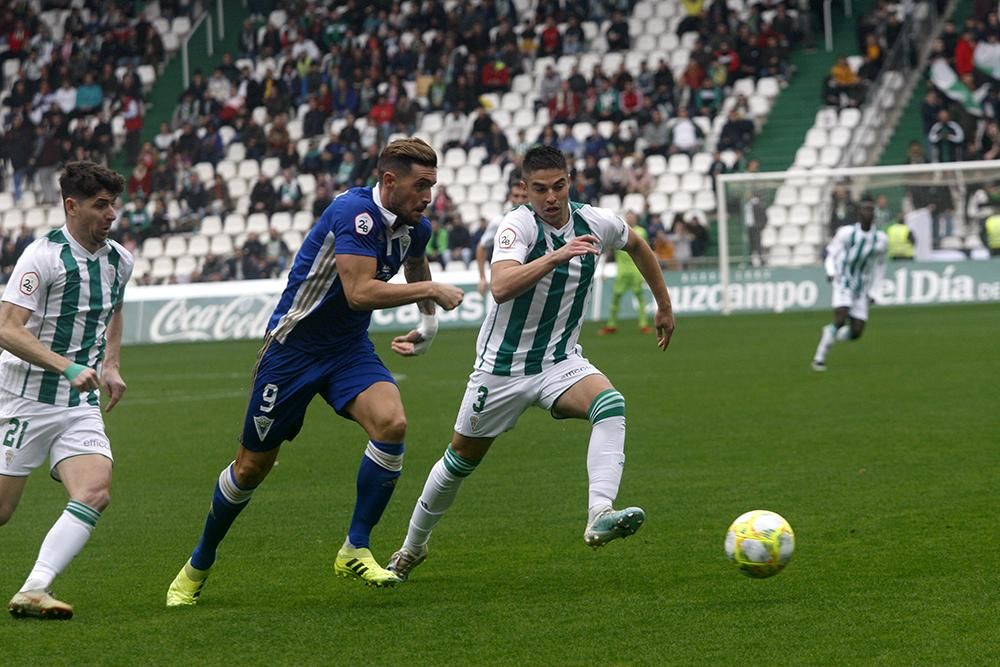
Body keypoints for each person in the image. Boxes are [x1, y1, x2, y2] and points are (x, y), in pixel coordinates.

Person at [165, 139, 465, 606]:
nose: (428, 196)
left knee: (393, 423)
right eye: (420, 185)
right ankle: (199, 562)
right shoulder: (353, 214)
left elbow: (415, 261)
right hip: (292, 352)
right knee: (251, 468)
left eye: (433, 184)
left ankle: (355, 548)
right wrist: (431, 290)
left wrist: (427, 321)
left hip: (347, 350)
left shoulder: (413, 226)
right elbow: (359, 293)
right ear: (389, 181)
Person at [385, 146, 675, 582]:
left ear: (569, 181)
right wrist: (557, 255)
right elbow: (501, 287)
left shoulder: (596, 221)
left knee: (610, 405)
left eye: (558, 186)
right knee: (460, 459)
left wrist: (664, 306)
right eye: (540, 190)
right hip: (501, 369)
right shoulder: (516, 226)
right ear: (525, 189)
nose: (551, 198)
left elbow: (636, 244)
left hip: (560, 362)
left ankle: (600, 512)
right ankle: (412, 546)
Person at [0, 161, 132, 619]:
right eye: (101, 205)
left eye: (113, 203)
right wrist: (67, 365)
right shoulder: (42, 257)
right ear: (72, 206)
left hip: (77, 403)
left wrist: (110, 364)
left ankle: (34, 588)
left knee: (95, 490)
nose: (111, 214)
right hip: (23, 398)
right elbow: (8, 329)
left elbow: (114, 309)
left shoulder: (120, 260)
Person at [811, 196, 887, 371]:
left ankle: (829, 333)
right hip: (843, 280)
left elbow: (881, 265)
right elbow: (831, 254)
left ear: (874, 214)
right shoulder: (847, 233)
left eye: (870, 209)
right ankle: (819, 359)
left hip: (861, 287)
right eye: (864, 209)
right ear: (859, 213)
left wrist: (875, 291)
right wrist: (830, 272)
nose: (867, 212)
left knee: (856, 332)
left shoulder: (881, 239)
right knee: (841, 317)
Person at [598, 211, 653, 335]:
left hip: (636, 270)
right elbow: (608, 251)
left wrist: (646, 272)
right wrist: (603, 270)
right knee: (615, 299)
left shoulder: (641, 232)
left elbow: (646, 251)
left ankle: (643, 325)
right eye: (628, 216)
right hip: (621, 272)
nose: (630, 218)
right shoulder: (619, 230)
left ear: (636, 218)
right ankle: (611, 325)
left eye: (632, 216)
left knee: (640, 298)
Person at [476, 177, 529, 295]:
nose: (520, 200)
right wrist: (482, 278)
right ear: (510, 197)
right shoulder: (500, 221)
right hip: (510, 282)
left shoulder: (538, 221)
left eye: (524, 196)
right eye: (516, 196)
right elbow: (481, 246)